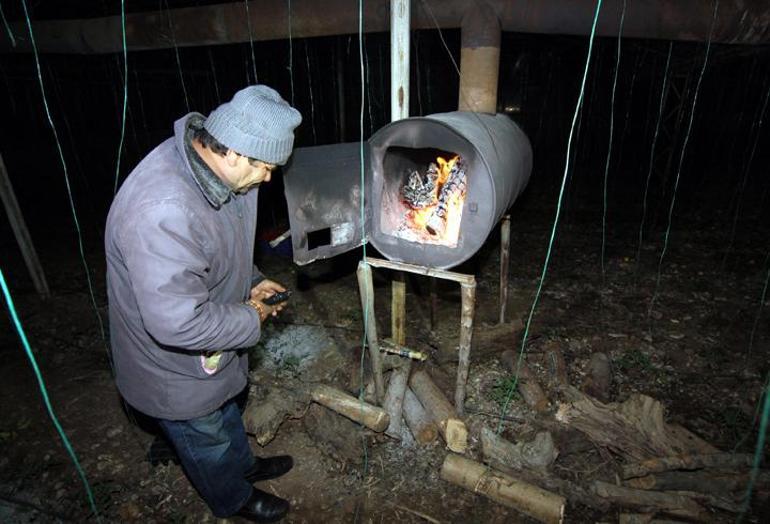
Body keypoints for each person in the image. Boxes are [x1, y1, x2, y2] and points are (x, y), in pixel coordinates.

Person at [105, 85, 302, 522]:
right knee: (205, 434)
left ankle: (244, 466)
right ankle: (231, 496)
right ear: (234, 152)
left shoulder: (220, 172)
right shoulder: (163, 210)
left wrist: (251, 280)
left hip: (210, 350)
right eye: (266, 168)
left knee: (225, 408)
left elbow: (216, 248)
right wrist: (250, 316)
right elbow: (177, 323)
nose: (268, 179)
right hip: (172, 365)